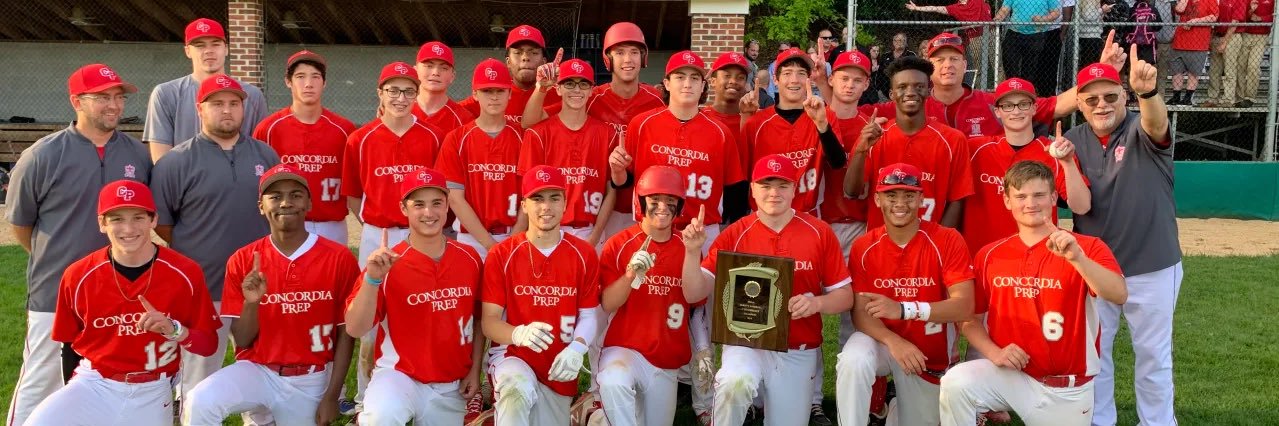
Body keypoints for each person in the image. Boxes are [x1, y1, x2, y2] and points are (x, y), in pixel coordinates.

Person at [4, 63, 151, 426]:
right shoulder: (42, 155)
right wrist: (63, 264)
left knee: (106, 382)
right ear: (76, 101)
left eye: (118, 97)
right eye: (102, 97)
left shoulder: (136, 154)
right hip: (56, 291)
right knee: (42, 381)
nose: (114, 105)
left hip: (119, 294)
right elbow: (21, 225)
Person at [939, 160, 1128, 426]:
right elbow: (970, 319)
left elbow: (1118, 293)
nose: (1030, 203)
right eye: (1021, 196)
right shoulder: (990, 254)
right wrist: (994, 353)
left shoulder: (1086, 246)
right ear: (1007, 201)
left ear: (1053, 198)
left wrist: (1077, 259)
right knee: (956, 383)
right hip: (1012, 374)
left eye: (1039, 195)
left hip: (1063, 387)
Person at [25, 180, 220, 426]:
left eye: (138, 217)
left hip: (152, 388)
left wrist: (174, 330)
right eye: (116, 219)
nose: (128, 228)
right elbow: (68, 346)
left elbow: (208, 345)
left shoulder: (185, 272)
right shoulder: (78, 275)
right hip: (93, 382)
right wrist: (73, 396)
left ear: (154, 220)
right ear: (102, 223)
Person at [183, 164, 359, 425]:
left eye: (296, 195)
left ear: (309, 203)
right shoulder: (243, 259)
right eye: (275, 196)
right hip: (258, 370)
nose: (286, 202)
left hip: (310, 377)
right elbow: (242, 339)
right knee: (199, 401)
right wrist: (252, 304)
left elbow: (347, 333)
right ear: (261, 206)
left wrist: (332, 395)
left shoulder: (338, 257)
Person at [689, 154, 854, 426]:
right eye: (765, 185)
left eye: (782, 185)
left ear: (794, 189)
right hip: (745, 342)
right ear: (752, 189)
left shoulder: (819, 232)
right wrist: (692, 252)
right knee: (734, 382)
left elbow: (845, 296)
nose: (773, 193)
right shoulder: (736, 233)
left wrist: (817, 304)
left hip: (797, 345)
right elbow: (695, 293)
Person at [151, 73, 281, 403]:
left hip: (257, 285)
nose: (227, 110)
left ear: (244, 109)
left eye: (234, 104)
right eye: (218, 103)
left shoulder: (266, 156)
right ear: (200, 109)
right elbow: (164, 225)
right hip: (204, 287)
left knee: (261, 366)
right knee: (199, 374)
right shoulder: (175, 162)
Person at [1065, 57, 1181, 426]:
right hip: (1097, 270)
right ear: (1080, 104)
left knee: (1153, 357)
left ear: (1125, 96)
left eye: (1111, 96)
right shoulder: (1071, 141)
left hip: (1152, 264)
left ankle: (1158, 422)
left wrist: (1149, 92)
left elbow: (1157, 123)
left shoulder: (1140, 126)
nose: (1102, 104)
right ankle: (1100, 421)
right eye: (1092, 98)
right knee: (1096, 356)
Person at [342, 168, 487, 425]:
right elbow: (355, 327)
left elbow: (478, 321)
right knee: (380, 418)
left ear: (447, 208)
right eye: (418, 204)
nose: (428, 213)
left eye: (436, 204)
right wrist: (373, 279)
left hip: (451, 383)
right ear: (404, 208)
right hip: (399, 376)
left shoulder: (470, 258)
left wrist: (475, 370)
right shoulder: (387, 262)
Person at [835, 162, 975, 426]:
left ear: (921, 198)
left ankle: (897, 407)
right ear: (877, 199)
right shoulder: (864, 245)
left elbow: (964, 306)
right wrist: (893, 340)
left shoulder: (947, 239)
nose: (900, 203)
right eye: (891, 195)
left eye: (909, 195)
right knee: (853, 359)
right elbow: (860, 313)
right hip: (883, 343)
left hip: (925, 355)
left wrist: (904, 309)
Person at [523, 22, 666, 242]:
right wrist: (542, 87)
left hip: (645, 205)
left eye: (634, 52)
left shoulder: (656, 101)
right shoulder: (592, 97)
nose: (627, 59)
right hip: (601, 210)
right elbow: (532, 122)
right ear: (608, 59)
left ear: (644, 57)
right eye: (620, 52)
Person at [481, 166, 602, 426]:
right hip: (513, 354)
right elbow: (489, 322)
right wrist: (518, 334)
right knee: (516, 390)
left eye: (554, 198)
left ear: (565, 203)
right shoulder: (502, 254)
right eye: (537, 198)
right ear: (523, 205)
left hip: (560, 363)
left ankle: (492, 419)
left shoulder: (584, 254)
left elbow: (590, 315)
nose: (546, 207)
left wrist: (577, 348)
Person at [595, 166, 704, 426]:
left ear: (679, 205)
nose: (662, 207)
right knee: (612, 380)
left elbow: (696, 301)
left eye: (670, 201)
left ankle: (598, 418)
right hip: (624, 349)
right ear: (641, 201)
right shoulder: (619, 244)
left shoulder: (686, 246)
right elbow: (607, 303)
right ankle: (601, 415)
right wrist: (630, 275)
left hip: (665, 357)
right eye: (654, 200)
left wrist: (702, 349)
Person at [962, 78, 1091, 256]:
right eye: (1008, 105)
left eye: (1023, 104)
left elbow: (1082, 207)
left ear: (1034, 108)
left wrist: (1067, 162)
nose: (1016, 111)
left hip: (1040, 258)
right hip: (985, 257)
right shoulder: (975, 149)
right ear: (997, 111)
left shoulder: (1053, 153)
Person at [843, 56, 974, 231]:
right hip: (882, 245)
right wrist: (861, 150)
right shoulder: (873, 135)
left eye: (919, 86)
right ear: (891, 94)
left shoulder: (953, 139)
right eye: (902, 87)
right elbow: (851, 192)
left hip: (930, 244)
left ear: (928, 91)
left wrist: (938, 243)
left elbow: (957, 199)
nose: (910, 92)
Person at [253, 50, 357, 244]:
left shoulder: (344, 129)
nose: (308, 84)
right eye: (300, 77)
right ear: (288, 82)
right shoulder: (268, 128)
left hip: (331, 224)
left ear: (324, 83)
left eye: (315, 77)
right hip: (283, 222)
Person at [519, 58, 617, 245]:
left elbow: (611, 191)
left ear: (591, 91)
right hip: (545, 228)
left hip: (591, 230)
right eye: (569, 83)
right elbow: (529, 193)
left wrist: (595, 236)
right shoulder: (537, 134)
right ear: (558, 88)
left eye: (583, 84)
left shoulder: (608, 134)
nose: (577, 90)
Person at [144, 18, 267, 162]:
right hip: (187, 181)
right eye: (200, 45)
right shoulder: (166, 93)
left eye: (215, 44)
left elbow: (260, 152)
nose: (209, 51)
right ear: (188, 51)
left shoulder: (251, 95)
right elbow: (161, 160)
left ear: (226, 49)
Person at [436, 58, 524, 259]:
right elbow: (455, 198)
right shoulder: (457, 139)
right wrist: (490, 244)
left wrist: (515, 239)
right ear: (475, 94)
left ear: (510, 93)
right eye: (486, 91)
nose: (494, 97)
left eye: (500, 91)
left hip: (516, 236)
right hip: (472, 239)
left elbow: (530, 196)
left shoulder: (524, 137)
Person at [743, 47, 847, 214]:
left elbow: (838, 163)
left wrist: (822, 125)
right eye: (787, 73)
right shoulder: (757, 122)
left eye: (800, 73)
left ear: (809, 78)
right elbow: (743, 175)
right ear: (775, 79)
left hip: (808, 213)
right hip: (764, 214)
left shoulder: (823, 115)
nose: (794, 80)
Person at [460, 24, 561, 122]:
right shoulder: (495, 94)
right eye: (518, 53)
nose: (525, 58)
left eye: (534, 53)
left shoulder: (560, 95)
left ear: (544, 61)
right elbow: (454, 110)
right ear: (508, 62)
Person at [906, 0, 994, 86]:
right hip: (974, 37)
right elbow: (936, 8)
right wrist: (918, 8)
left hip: (990, 32)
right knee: (978, 69)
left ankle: (999, 89)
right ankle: (979, 91)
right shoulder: (955, 8)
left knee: (997, 65)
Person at [994, 0, 1061, 93]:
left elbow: (1056, 12)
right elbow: (1005, 9)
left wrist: (1043, 19)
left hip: (1036, 34)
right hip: (1014, 32)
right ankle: (1012, 91)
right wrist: (997, 19)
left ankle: (1025, 95)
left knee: (1029, 70)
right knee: (1010, 64)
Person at [413, 41, 475, 134]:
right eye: (429, 66)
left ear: (452, 76)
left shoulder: (464, 119)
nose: (435, 72)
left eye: (444, 68)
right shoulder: (398, 111)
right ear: (415, 71)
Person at [702, 52, 755, 158]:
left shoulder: (753, 119)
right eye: (727, 76)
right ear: (713, 81)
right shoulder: (701, 118)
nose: (733, 81)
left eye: (740, 77)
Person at [1168, 0, 1216, 105]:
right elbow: (1179, 10)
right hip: (1180, 41)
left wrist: (1195, 21)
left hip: (1199, 43)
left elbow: (1213, 17)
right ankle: (1176, 97)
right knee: (1177, 71)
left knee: (1194, 72)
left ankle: (1187, 98)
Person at [1202, 0, 1246, 107]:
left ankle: (1228, 99)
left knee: (1229, 69)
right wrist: (1211, 38)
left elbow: (1235, 22)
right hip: (1217, 35)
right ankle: (1213, 98)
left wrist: (1225, 42)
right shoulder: (1219, 1)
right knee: (1214, 70)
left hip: (1232, 36)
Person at [1237, 0, 1273, 107]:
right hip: (1246, 34)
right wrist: (1250, 12)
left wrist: (1261, 18)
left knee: (1253, 66)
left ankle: (1250, 97)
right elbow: (1241, 16)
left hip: (1261, 36)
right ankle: (1239, 97)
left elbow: (1275, 16)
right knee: (1240, 66)